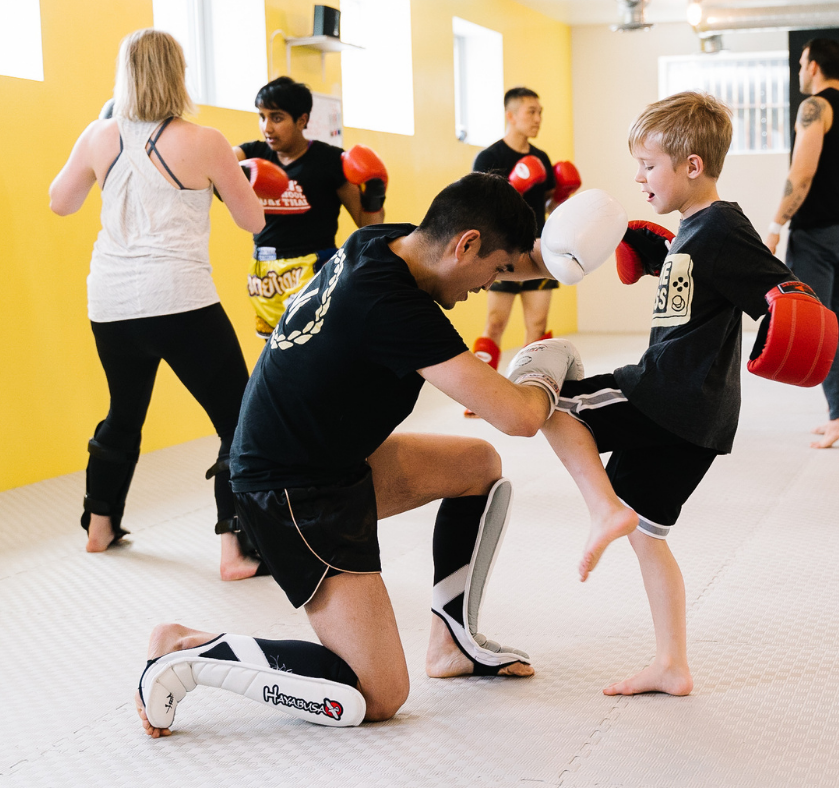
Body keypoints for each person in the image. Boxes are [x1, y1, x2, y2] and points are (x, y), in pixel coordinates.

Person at [134, 174, 629, 735]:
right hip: (292, 493)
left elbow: (519, 256)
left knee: (477, 468)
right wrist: (547, 361)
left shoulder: (386, 244)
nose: (490, 286)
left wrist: (604, 241)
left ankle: (452, 644)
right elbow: (519, 417)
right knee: (375, 693)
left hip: (330, 459)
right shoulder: (391, 308)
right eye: (493, 272)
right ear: (465, 244)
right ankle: (188, 651)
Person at [503, 92, 836, 698]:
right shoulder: (694, 234)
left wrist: (793, 321)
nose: (638, 177)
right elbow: (700, 292)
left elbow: (780, 288)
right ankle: (671, 664)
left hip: (664, 394)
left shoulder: (721, 229)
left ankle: (602, 506)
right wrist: (662, 256)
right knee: (648, 534)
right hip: (696, 417)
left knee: (546, 398)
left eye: (649, 164)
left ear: (691, 165)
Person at [49, 28, 268, 580]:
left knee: (124, 412)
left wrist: (103, 158)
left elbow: (61, 202)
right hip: (181, 300)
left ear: (124, 73)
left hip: (113, 301)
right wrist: (226, 183)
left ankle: (100, 526)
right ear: (178, 73)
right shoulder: (206, 139)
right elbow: (254, 221)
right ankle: (235, 548)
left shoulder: (98, 134)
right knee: (239, 420)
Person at [766, 38, 839, 448]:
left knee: (819, 327)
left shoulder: (816, 108)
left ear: (813, 65)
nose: (798, 71)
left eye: (800, 63)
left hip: (817, 235)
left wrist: (777, 223)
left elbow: (803, 172)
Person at [235, 76, 388, 339]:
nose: (267, 127)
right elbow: (215, 167)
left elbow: (367, 224)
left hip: (315, 269)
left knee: (313, 349)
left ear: (302, 120)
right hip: (264, 274)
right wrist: (228, 177)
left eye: (277, 117)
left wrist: (374, 193)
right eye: (262, 116)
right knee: (273, 355)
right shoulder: (251, 155)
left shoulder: (329, 160)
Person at [466, 87, 582, 399]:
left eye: (540, 112)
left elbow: (548, 210)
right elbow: (477, 209)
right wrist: (513, 187)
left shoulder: (541, 158)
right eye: (531, 111)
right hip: (501, 251)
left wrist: (560, 197)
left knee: (538, 323)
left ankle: (528, 391)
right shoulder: (489, 157)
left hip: (537, 248)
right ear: (511, 115)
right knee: (495, 323)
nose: (538, 118)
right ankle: (481, 395)